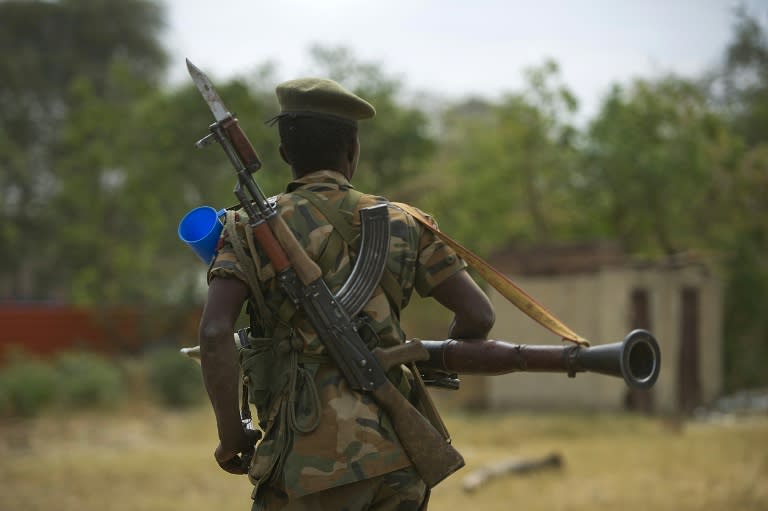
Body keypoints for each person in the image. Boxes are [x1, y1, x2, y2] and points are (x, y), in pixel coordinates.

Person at [198, 77, 495, 511]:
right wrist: (427, 363)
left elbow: (213, 331)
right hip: (395, 458)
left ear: (284, 153)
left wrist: (231, 434)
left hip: (304, 463)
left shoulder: (244, 229)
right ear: (352, 149)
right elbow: (478, 316)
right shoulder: (404, 222)